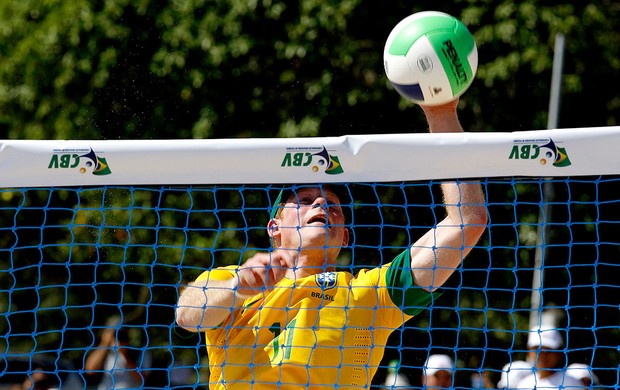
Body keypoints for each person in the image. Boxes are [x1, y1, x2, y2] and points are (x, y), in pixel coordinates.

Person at [175, 99, 488, 389]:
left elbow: (466, 223)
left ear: (345, 235)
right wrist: (238, 287)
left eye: (333, 205)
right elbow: (187, 316)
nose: (322, 203)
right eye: (306, 200)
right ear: (274, 227)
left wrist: (441, 111)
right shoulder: (230, 279)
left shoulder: (371, 294)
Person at [84, 316, 152, 389]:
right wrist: (104, 343)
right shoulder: (104, 352)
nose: (117, 337)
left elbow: (142, 380)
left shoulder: (140, 352)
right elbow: (90, 370)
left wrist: (125, 355)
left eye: (121, 333)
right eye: (115, 333)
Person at [515, 327, 584, 390]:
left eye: (548, 350)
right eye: (537, 350)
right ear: (529, 352)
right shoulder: (524, 384)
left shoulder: (571, 384)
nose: (542, 355)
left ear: (559, 353)